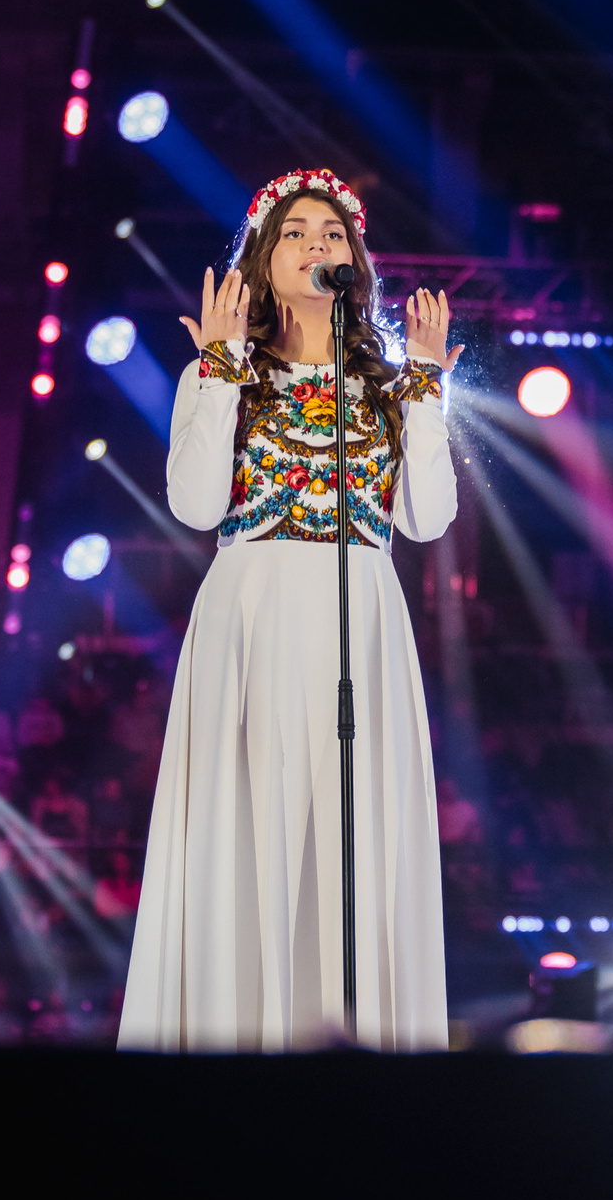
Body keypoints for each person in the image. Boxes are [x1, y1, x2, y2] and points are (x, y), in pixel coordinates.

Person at [118, 168, 461, 1053]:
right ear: (265, 259)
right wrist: (220, 368)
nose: (317, 244)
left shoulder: (392, 385)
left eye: (333, 233)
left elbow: (427, 517)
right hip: (253, 616)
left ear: (355, 260)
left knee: (354, 843)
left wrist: (427, 386)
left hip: (361, 619)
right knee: (245, 833)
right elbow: (196, 504)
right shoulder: (221, 370)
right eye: (298, 232)